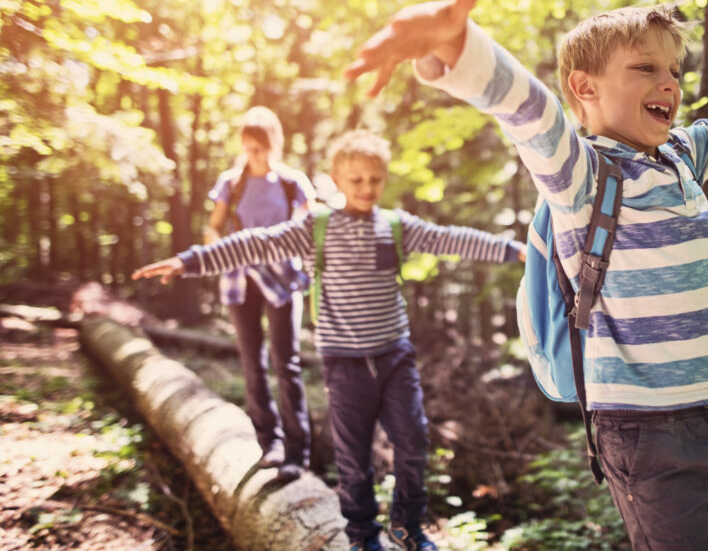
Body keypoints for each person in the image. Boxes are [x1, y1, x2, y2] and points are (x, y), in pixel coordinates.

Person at [342, 0, 708, 550]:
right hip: (650, 436)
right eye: (645, 68)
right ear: (585, 88)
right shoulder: (582, 178)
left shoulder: (684, 156)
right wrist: (460, 46)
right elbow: (529, 109)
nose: (669, 83)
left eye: (674, 71)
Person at [134, 129, 526, 551]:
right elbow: (255, 243)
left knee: (413, 441)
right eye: (356, 180)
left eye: (375, 180)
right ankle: (361, 537)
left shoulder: (395, 226)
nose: (367, 189)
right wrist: (189, 261)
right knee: (354, 459)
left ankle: (406, 527)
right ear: (337, 181)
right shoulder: (315, 228)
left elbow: (451, 238)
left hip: (395, 356)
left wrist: (516, 251)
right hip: (345, 363)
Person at [206, 105, 315, 483]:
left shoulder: (292, 183)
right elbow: (214, 228)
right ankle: (270, 442)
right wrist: (221, 251)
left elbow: (310, 229)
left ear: (275, 144)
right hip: (241, 283)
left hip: (284, 282)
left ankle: (297, 453)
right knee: (253, 362)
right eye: (250, 147)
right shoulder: (230, 184)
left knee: (287, 363)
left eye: (262, 147)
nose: (256, 155)